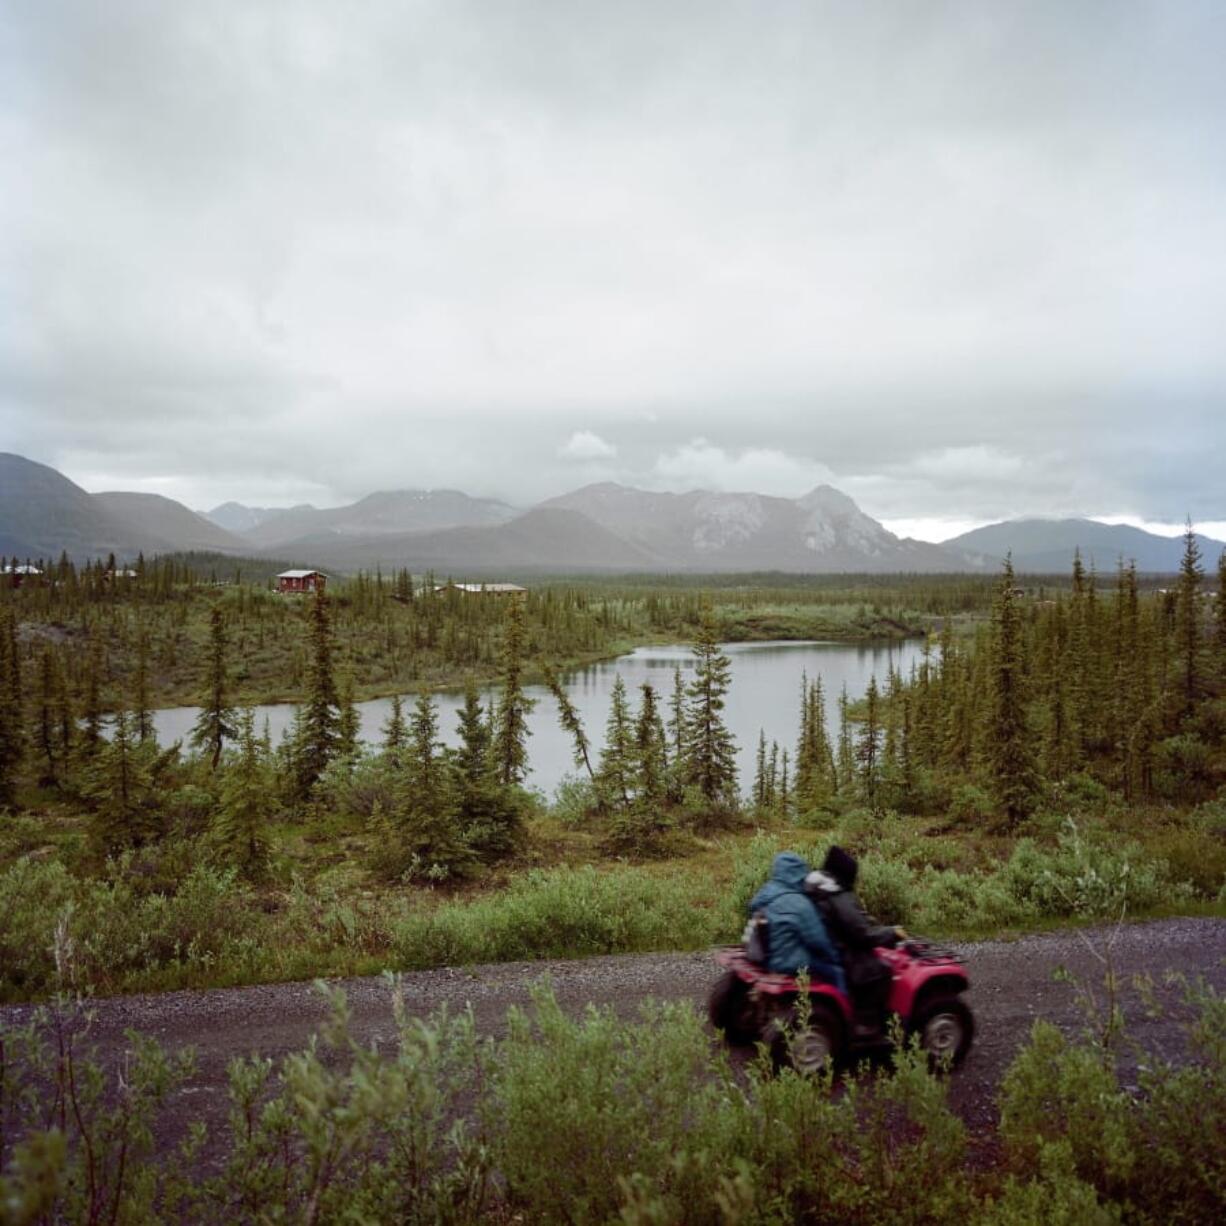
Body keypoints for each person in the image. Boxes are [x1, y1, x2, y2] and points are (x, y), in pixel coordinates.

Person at [805, 845, 905, 1036]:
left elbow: (853, 922)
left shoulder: (815, 886)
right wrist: (891, 933)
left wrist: (873, 924)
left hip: (825, 946)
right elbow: (863, 934)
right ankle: (867, 1022)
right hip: (843, 953)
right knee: (882, 971)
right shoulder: (839, 895)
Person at [748, 852, 846, 992]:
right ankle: (846, 1012)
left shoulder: (765, 893)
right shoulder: (799, 903)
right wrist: (835, 956)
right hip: (790, 963)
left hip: (765, 958)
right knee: (837, 972)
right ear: (799, 873)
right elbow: (817, 940)